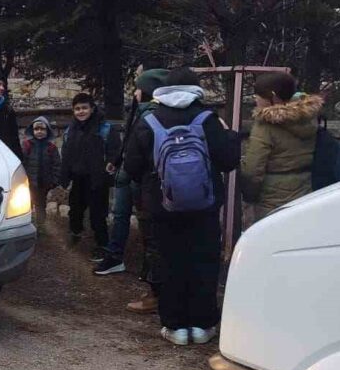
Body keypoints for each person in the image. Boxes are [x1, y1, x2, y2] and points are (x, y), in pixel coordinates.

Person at [125, 67, 239, 346]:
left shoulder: (149, 120)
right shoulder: (208, 119)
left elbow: (132, 167)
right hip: (205, 207)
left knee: (169, 263)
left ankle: (175, 327)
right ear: (196, 88)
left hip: (163, 208)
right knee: (203, 262)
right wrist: (232, 136)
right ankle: (202, 326)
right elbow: (228, 162)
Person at [97, 68, 169, 280]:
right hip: (126, 172)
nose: (135, 92)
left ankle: (149, 265)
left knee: (145, 221)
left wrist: (130, 168)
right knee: (120, 216)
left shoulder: (153, 115)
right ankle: (115, 256)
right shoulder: (137, 111)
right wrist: (117, 161)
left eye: (139, 88)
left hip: (138, 176)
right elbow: (129, 139)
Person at [241, 72, 323, 220]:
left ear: (272, 96)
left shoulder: (265, 126)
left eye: (257, 95)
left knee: (271, 238)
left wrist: (249, 196)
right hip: (305, 188)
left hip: (272, 197)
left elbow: (253, 169)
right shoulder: (308, 118)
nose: (256, 99)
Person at [59, 93, 120, 261]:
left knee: (98, 215)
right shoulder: (71, 130)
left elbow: (115, 152)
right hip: (78, 178)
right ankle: (75, 234)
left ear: (92, 109)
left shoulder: (105, 128)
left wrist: (110, 164)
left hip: (97, 179)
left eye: (84, 108)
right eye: (77, 109)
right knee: (75, 211)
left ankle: (102, 245)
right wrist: (64, 176)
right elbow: (66, 154)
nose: (81, 112)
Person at [21, 116, 60, 228]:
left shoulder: (51, 148)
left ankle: (40, 226)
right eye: (36, 129)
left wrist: (54, 181)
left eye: (42, 129)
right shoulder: (27, 145)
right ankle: (26, 225)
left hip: (44, 183)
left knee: (40, 205)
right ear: (32, 131)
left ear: (47, 131)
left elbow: (57, 165)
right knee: (26, 204)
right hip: (28, 183)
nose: (39, 132)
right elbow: (22, 162)